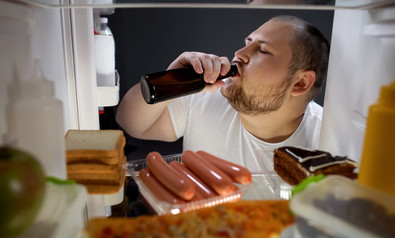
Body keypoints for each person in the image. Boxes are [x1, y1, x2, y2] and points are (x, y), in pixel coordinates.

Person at [116, 15, 330, 172]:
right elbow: (129, 122)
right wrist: (170, 80)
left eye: (262, 50)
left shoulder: (328, 141)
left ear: (300, 83)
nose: (239, 54)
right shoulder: (205, 97)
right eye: (247, 44)